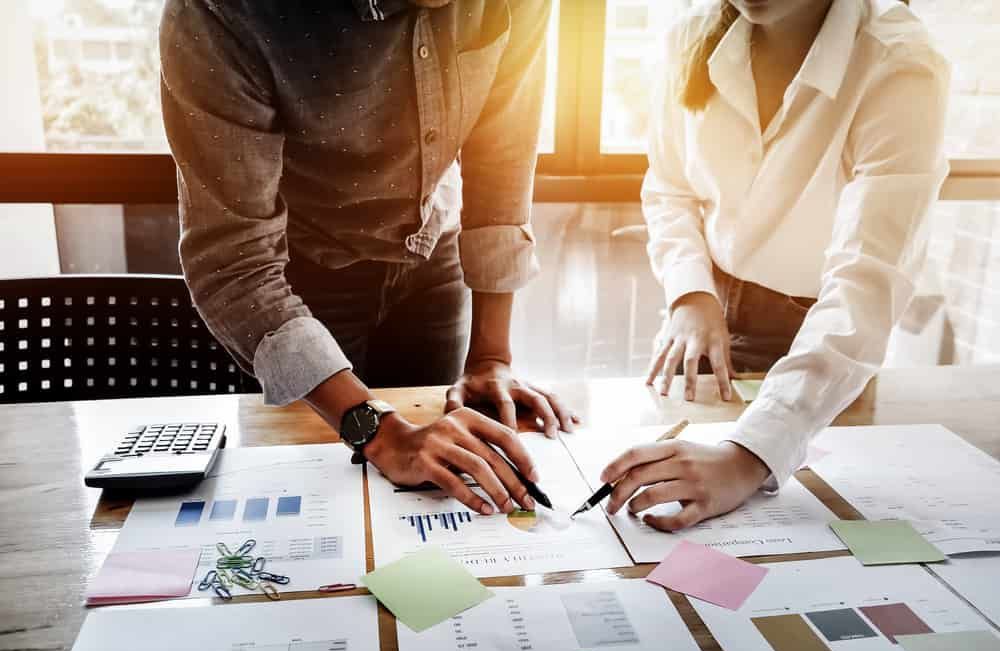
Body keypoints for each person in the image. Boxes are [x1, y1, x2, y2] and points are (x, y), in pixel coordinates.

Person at [159, 0, 576, 517]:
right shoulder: (216, 14)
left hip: (432, 258)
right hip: (297, 289)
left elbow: (502, 163)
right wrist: (380, 433)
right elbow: (234, 262)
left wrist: (492, 356)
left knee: (430, 498)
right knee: (313, 507)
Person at [603, 0, 949, 530]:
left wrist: (750, 455)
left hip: (822, 341)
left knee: (805, 539)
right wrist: (690, 294)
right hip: (704, 317)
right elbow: (669, 186)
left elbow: (868, 280)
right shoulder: (690, 34)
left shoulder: (898, 60)